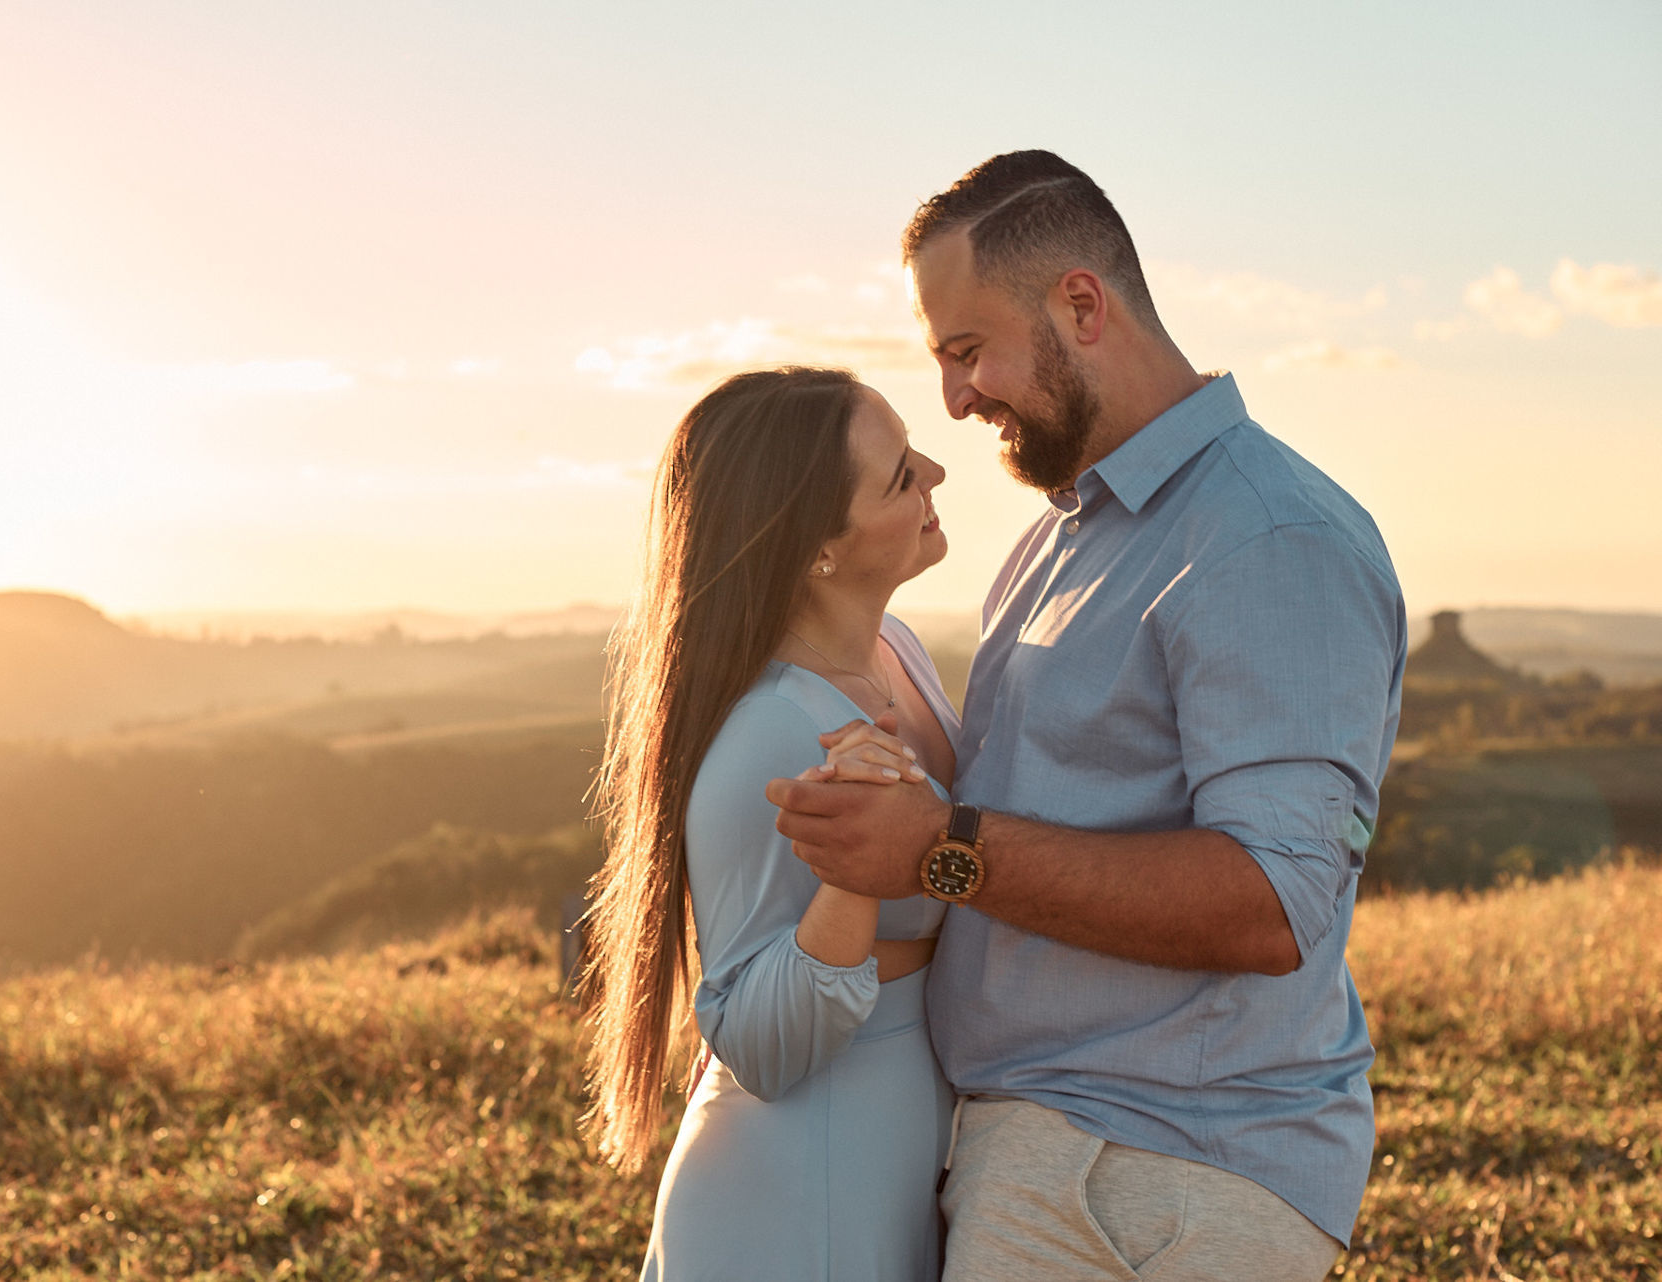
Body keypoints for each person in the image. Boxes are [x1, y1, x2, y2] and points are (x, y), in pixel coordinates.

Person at [767, 151, 1406, 1280]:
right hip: (1064, 1154)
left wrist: (942, 849)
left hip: (1154, 1175)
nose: (954, 399)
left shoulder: (1266, 539)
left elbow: (1272, 903)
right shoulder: (1061, 538)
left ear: (1079, 304)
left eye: (969, 353)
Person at [580, 367, 963, 1280]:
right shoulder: (769, 738)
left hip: (894, 1147)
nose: (938, 475)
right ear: (817, 549)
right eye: (902, 474)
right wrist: (853, 874)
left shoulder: (895, 649)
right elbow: (758, 1040)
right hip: (802, 1189)